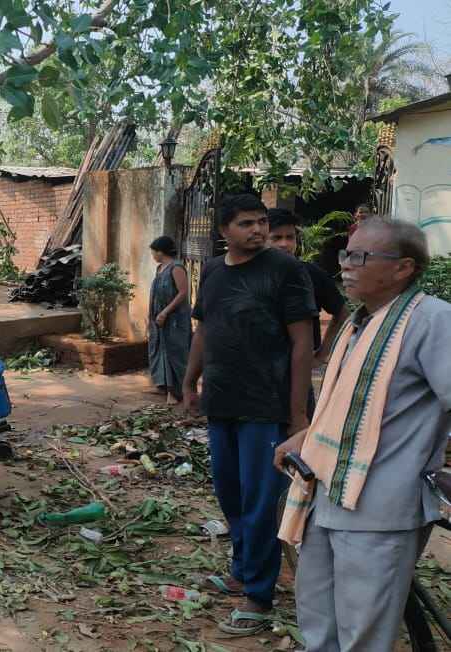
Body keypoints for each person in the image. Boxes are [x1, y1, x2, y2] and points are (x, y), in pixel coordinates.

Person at [277, 218, 450, 652]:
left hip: (380, 509)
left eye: (360, 257)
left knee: (363, 633)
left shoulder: (432, 321)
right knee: (318, 619)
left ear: (403, 267)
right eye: (345, 254)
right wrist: (307, 437)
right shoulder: (360, 323)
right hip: (326, 495)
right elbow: (350, 408)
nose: (346, 266)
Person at [181, 194, 317, 636]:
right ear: (224, 230)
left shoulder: (285, 269)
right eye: (246, 223)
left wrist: (297, 416)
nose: (258, 230)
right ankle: (241, 571)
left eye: (261, 222)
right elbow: (204, 328)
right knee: (231, 495)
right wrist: (190, 381)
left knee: (261, 503)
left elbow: (302, 343)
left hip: (267, 405)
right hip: (222, 401)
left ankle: (258, 596)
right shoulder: (213, 271)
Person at [267, 209, 351, 373]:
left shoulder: (311, 274)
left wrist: (322, 355)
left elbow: (343, 313)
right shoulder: (249, 276)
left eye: (290, 237)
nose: (284, 244)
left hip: (299, 370)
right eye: (276, 238)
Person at [147, 235, 191, 403]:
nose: (152, 255)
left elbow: (183, 293)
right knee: (159, 349)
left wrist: (165, 312)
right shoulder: (159, 268)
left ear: (161, 252)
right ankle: (162, 385)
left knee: (175, 353)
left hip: (174, 319)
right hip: (158, 318)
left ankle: (176, 391)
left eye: (153, 252)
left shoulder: (176, 268)